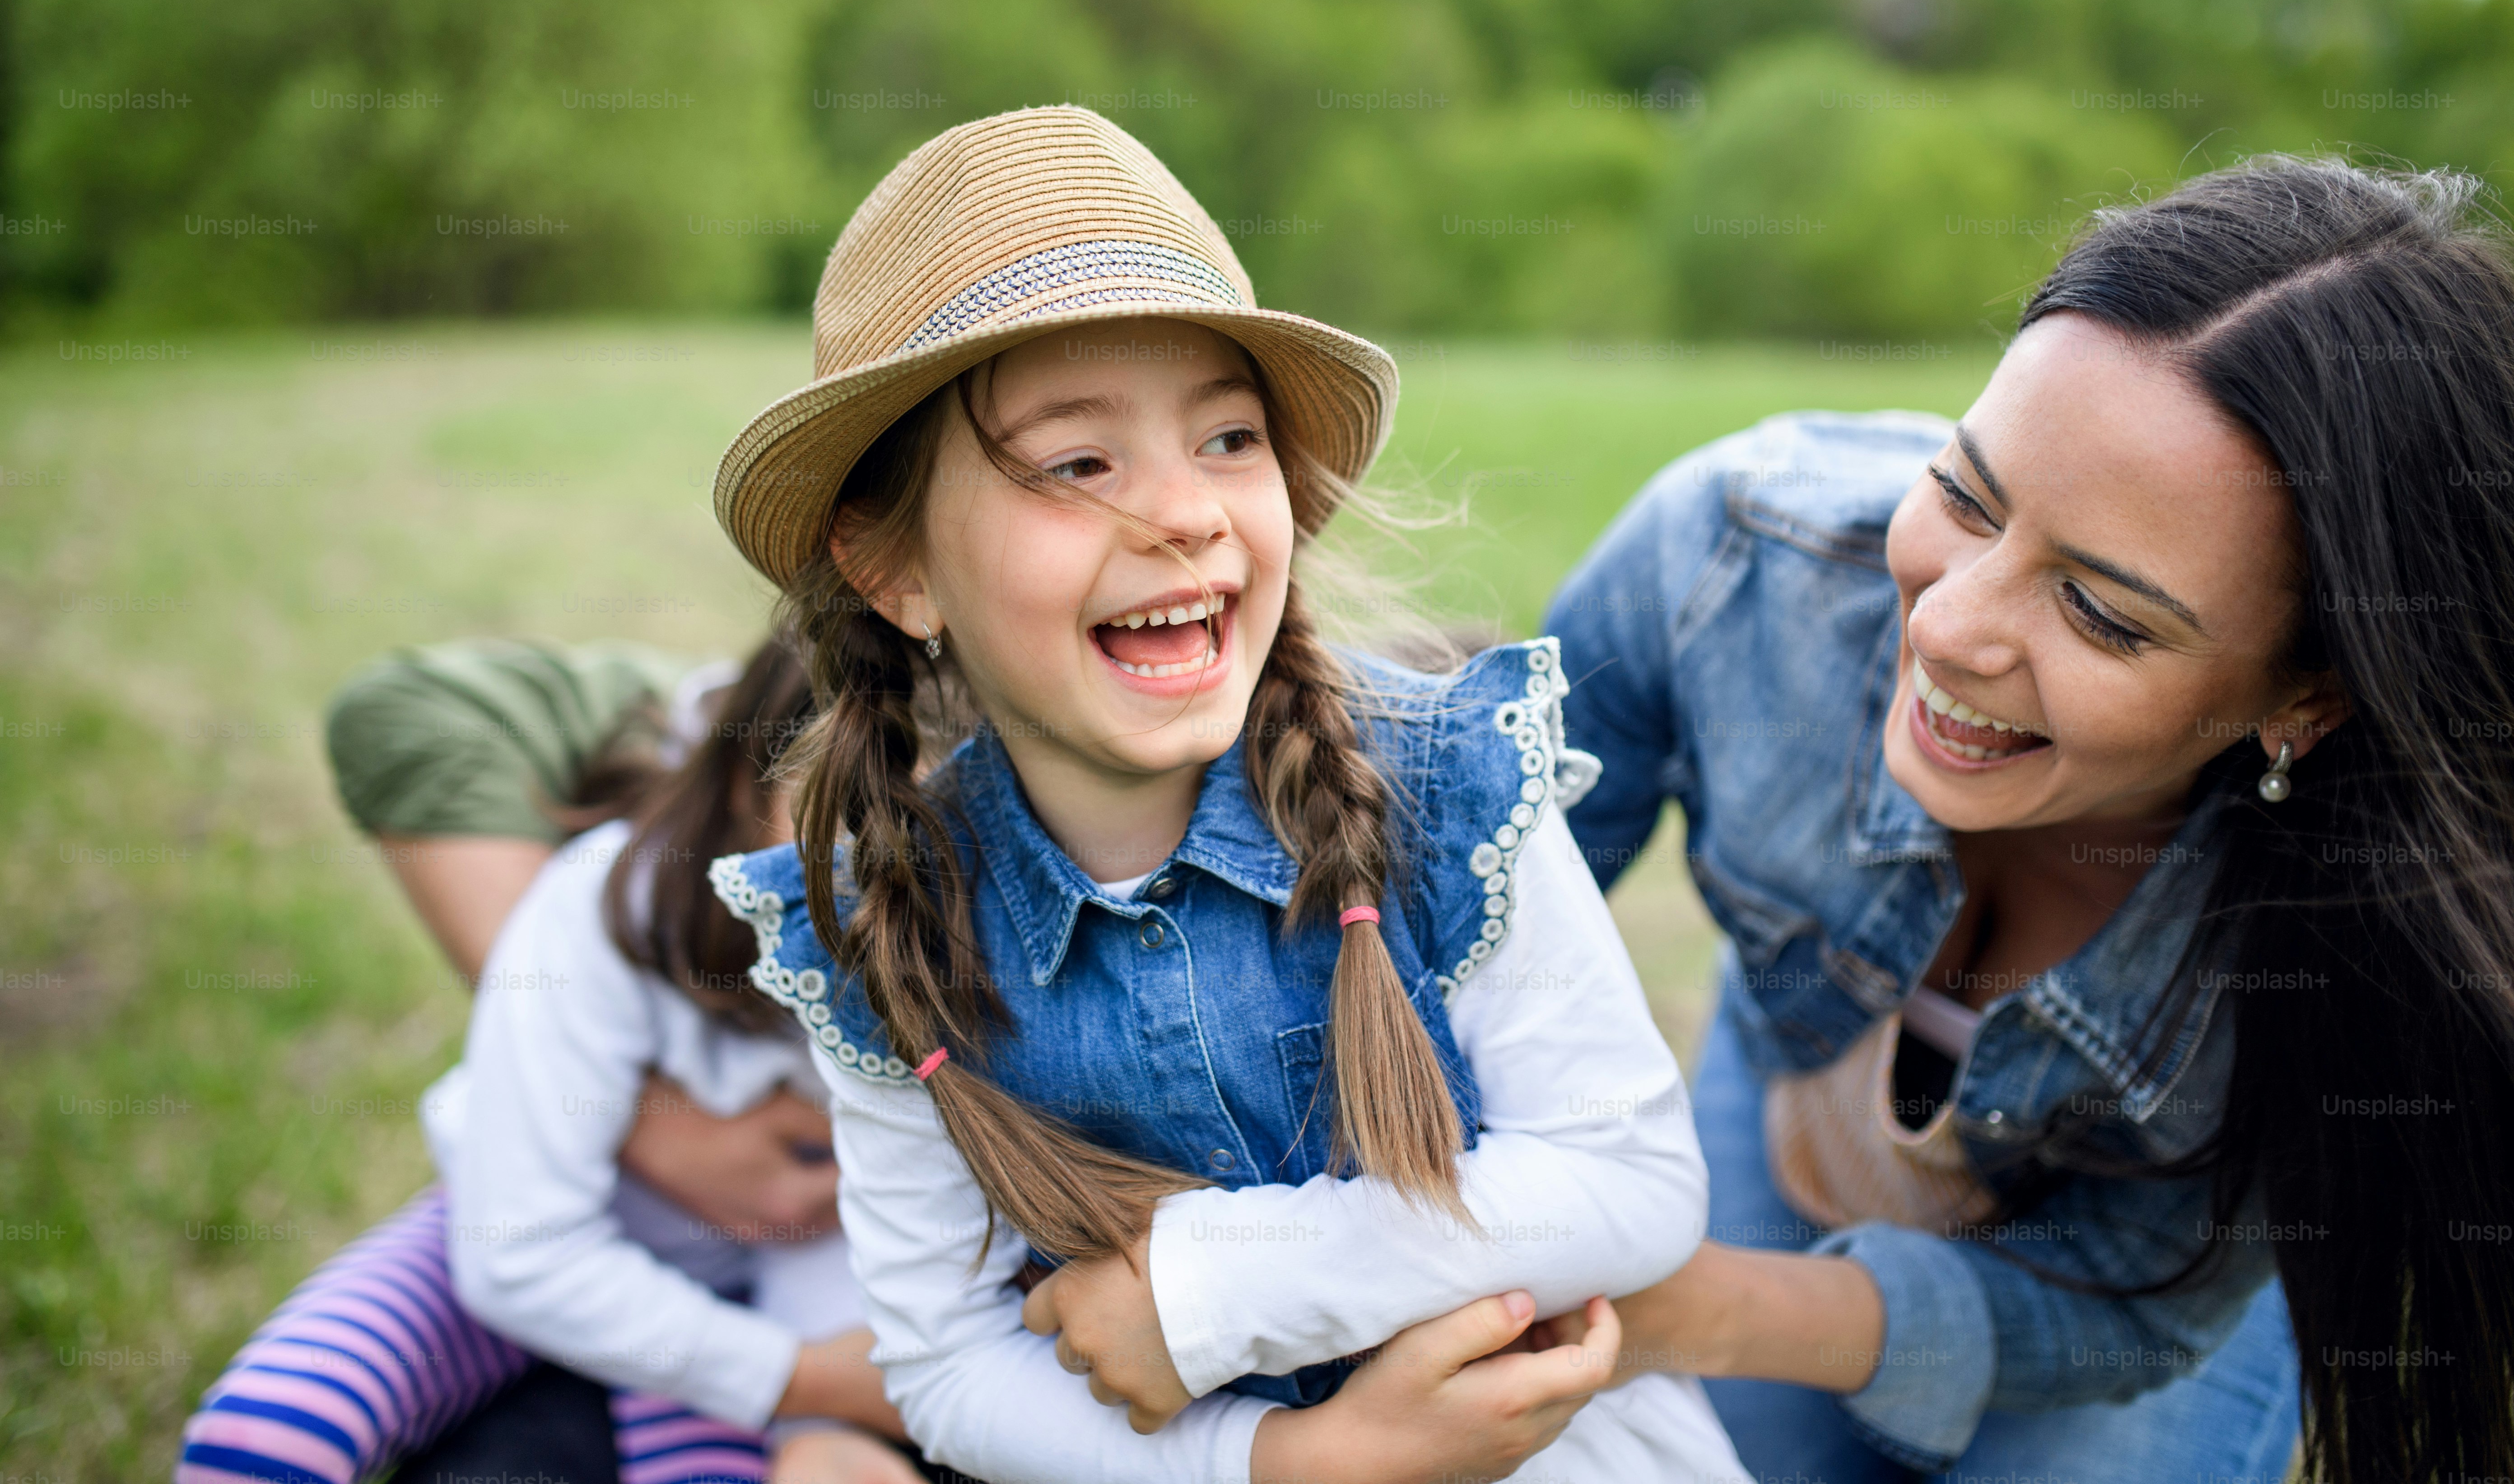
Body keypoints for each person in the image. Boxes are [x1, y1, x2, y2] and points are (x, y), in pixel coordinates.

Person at [698, 103, 1746, 1484]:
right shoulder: (896, 921)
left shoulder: (1435, 786)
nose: (1185, 511)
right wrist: (1283, 1462)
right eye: (1078, 462)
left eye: (1229, 439)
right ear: (896, 572)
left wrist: (1207, 1293)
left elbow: (1628, 1181)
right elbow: (947, 1364)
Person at [1543, 157, 2514, 1483]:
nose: (1946, 624)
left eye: (2104, 614)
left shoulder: (2360, 935)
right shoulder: (1729, 563)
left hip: (2114, 1284)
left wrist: (1709, 1309)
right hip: (1796, 1120)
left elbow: (2135, 1299)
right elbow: (1458, 938)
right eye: (1966, 492)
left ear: (2307, 699)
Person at [179, 638, 914, 1483]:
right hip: (529, 1244)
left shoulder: (979, 967)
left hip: (783, 1287)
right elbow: (519, 1252)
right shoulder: (603, 904)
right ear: (752, 779)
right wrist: (796, 1379)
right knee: (270, 1430)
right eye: (850, 807)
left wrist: (817, 1412)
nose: (895, 858)